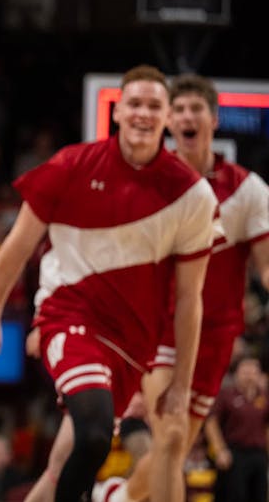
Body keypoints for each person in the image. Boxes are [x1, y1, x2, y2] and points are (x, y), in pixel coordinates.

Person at [0, 65, 217, 502]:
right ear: (118, 111)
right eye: (136, 104)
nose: (144, 113)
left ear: (167, 119)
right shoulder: (72, 164)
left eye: (154, 106)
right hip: (69, 316)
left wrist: (181, 382)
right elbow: (17, 245)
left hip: (132, 347)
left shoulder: (192, 196)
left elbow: (189, 298)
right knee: (93, 434)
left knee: (64, 463)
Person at [93, 73, 269, 502]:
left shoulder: (247, 190)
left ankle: (117, 496)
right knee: (171, 435)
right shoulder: (147, 181)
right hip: (159, 329)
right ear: (169, 121)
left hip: (216, 335)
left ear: (214, 119)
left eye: (197, 109)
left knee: (177, 446)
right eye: (181, 110)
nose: (188, 117)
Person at [203, 355, 269, 502]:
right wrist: (220, 450)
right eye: (246, 371)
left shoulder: (264, 397)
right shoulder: (226, 395)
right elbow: (211, 423)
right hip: (235, 454)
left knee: (260, 495)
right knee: (234, 495)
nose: (250, 375)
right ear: (237, 373)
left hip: (259, 454)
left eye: (253, 371)